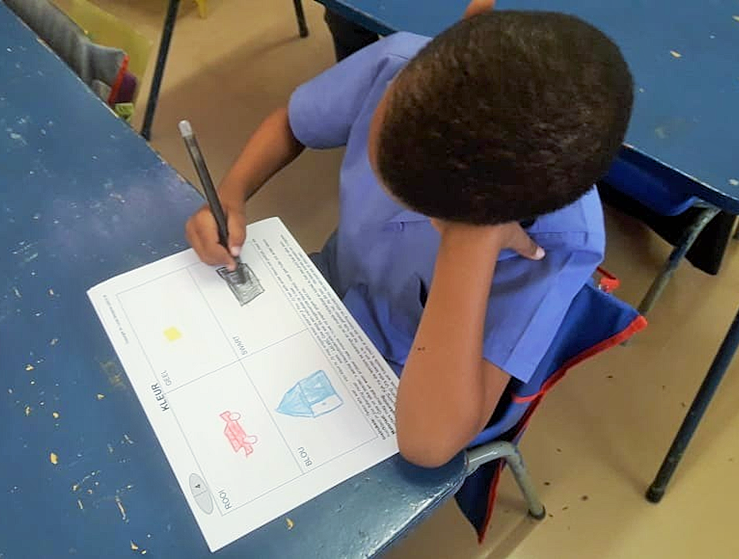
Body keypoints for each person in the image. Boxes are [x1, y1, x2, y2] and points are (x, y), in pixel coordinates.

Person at [185, 2, 633, 468]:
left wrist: (472, 242)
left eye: (432, 215)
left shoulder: (556, 242)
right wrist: (232, 191)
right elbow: (293, 123)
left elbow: (428, 444)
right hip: (325, 287)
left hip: (405, 377)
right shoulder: (399, 65)